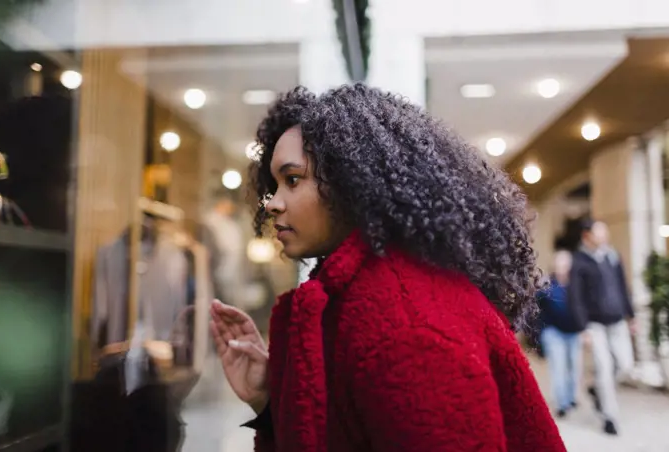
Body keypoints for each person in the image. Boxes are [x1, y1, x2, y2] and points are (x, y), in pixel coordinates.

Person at [210, 84, 566, 451]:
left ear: (351, 178)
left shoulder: (405, 320)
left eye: (294, 179)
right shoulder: (361, 296)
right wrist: (269, 400)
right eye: (274, 185)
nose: (273, 203)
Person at [569, 219, 635, 435]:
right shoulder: (579, 262)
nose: (605, 236)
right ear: (587, 236)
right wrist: (583, 328)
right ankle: (610, 417)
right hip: (594, 325)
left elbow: (622, 287)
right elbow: (575, 298)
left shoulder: (612, 256)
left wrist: (631, 316)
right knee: (604, 369)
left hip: (617, 321)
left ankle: (597, 390)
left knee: (625, 366)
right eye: (600, 232)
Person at [538, 250, 586, 418]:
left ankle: (571, 397)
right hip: (553, 332)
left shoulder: (577, 285)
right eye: (559, 263)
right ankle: (561, 404)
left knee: (574, 367)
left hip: (574, 332)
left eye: (565, 264)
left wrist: (585, 329)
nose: (562, 267)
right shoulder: (547, 285)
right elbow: (535, 308)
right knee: (558, 367)